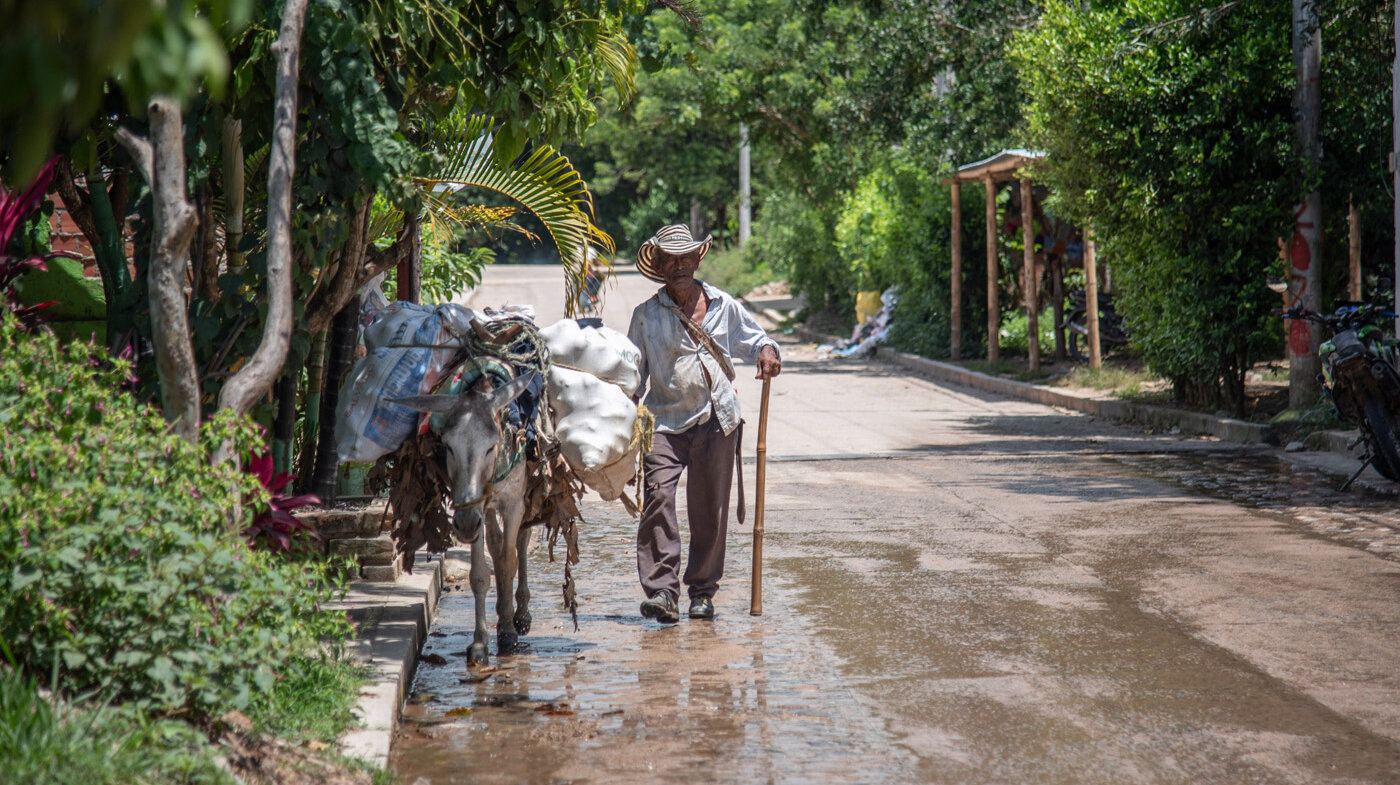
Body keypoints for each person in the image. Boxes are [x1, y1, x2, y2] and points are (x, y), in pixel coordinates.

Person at [626, 224, 782, 623]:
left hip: (717, 420)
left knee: (709, 508)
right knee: (658, 497)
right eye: (670, 259)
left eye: (685, 258)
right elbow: (632, 377)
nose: (678, 265)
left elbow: (757, 339)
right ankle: (663, 590)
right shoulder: (644, 317)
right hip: (664, 420)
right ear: (658, 264)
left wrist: (767, 351)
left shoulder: (723, 304)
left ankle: (702, 592)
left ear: (697, 259)